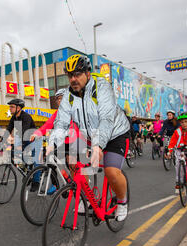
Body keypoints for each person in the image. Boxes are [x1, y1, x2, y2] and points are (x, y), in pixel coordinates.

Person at [47, 54, 131, 221]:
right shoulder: (69, 96)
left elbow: (107, 119)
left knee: (111, 171)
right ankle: (88, 198)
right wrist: (51, 145)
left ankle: (122, 201)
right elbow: (61, 122)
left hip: (115, 133)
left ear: (88, 73)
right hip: (90, 136)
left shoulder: (102, 88)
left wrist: (98, 146)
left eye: (77, 74)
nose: (73, 79)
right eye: (70, 75)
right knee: (73, 162)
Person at [165, 112, 187, 189]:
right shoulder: (177, 132)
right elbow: (172, 142)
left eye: (186, 121)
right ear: (180, 123)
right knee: (178, 164)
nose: (184, 124)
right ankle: (179, 181)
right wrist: (169, 151)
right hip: (179, 150)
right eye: (182, 122)